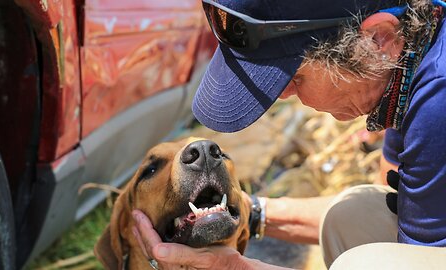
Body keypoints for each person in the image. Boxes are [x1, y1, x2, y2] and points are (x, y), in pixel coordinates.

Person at [132, 0, 446, 269]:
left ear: (379, 39)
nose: (281, 95)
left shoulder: (437, 103)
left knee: (363, 264)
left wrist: (233, 266)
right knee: (354, 215)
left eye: (294, 77)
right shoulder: (410, 71)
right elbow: (398, 215)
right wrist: (248, 212)